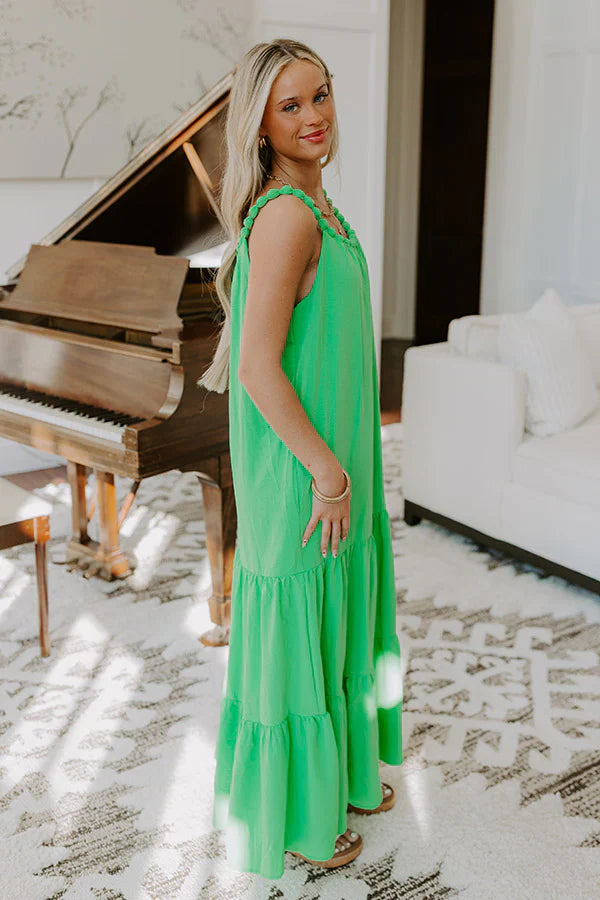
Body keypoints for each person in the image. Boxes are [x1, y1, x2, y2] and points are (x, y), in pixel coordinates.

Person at [198, 37, 404, 880]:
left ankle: (343, 778)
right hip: (305, 471)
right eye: (291, 105)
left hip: (335, 464)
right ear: (261, 125)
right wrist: (326, 472)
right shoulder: (286, 216)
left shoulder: (321, 209)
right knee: (297, 639)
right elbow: (255, 368)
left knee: (335, 621)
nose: (314, 116)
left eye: (320, 95)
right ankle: (298, 822)